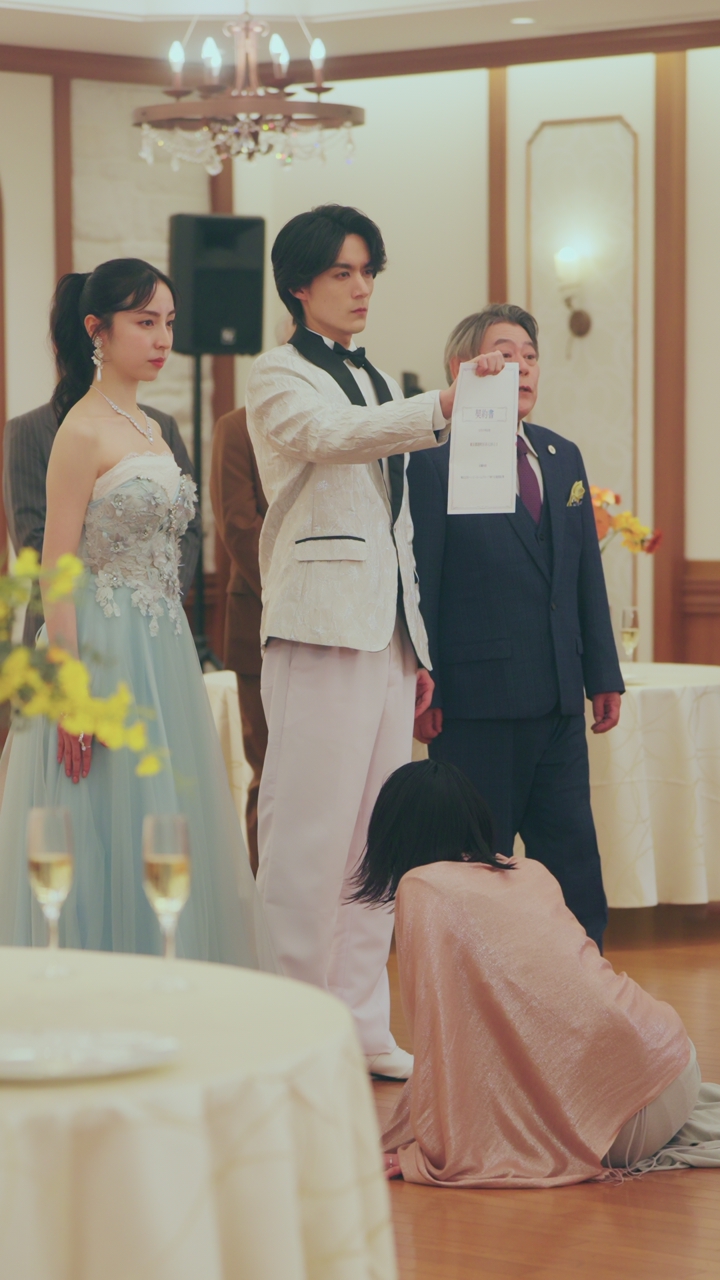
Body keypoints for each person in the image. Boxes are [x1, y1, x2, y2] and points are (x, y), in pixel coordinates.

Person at [245, 204, 504, 1078]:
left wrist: (416, 646)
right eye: (342, 273)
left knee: (377, 840)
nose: (361, 288)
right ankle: (289, 1027)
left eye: (368, 273)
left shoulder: (377, 374)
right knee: (307, 837)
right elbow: (331, 438)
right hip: (317, 626)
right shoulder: (278, 375)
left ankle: (361, 1022)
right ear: (299, 285)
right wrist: (440, 403)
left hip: (387, 634)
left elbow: (398, 528)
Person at [0, 259, 276, 972]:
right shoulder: (80, 431)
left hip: (163, 649)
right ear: (98, 330)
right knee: (102, 821)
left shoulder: (154, 427)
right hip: (99, 647)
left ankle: (167, 983)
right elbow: (54, 571)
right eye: (145, 322)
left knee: (163, 819)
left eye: (169, 323)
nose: (162, 339)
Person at [353, 760, 720, 1187]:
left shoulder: (422, 887)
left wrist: (434, 1146)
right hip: (675, 1061)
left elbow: (443, 1035)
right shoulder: (529, 870)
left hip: (624, 1123)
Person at [408, 304, 624, 951]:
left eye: (531, 355)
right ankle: (480, 998)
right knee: (479, 873)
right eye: (506, 354)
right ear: (464, 368)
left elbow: (584, 574)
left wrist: (602, 675)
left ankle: (585, 993)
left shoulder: (561, 455)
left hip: (559, 698)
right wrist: (427, 682)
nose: (523, 367)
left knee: (575, 868)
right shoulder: (433, 462)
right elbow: (423, 580)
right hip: (476, 704)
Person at [4, 369, 201, 651]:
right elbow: (35, 542)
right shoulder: (32, 429)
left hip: (161, 622)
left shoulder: (160, 426)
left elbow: (188, 528)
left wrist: (157, 601)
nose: (163, 345)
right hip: (88, 624)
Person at [210, 405, 268, 875]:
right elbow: (238, 526)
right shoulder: (236, 427)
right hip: (261, 623)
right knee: (271, 776)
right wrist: (301, 596)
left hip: (341, 632)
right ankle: (265, 904)